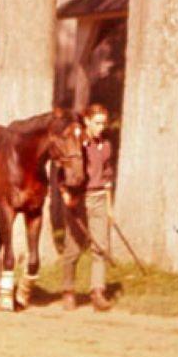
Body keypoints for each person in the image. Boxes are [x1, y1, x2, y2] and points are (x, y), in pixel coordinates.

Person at [62, 103, 115, 312]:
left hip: (99, 198)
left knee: (100, 248)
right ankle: (68, 291)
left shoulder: (105, 146)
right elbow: (62, 173)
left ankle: (97, 292)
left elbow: (107, 175)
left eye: (103, 123)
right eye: (97, 123)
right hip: (79, 200)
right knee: (73, 249)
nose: (101, 127)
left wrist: (109, 207)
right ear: (87, 121)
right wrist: (66, 194)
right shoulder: (76, 144)